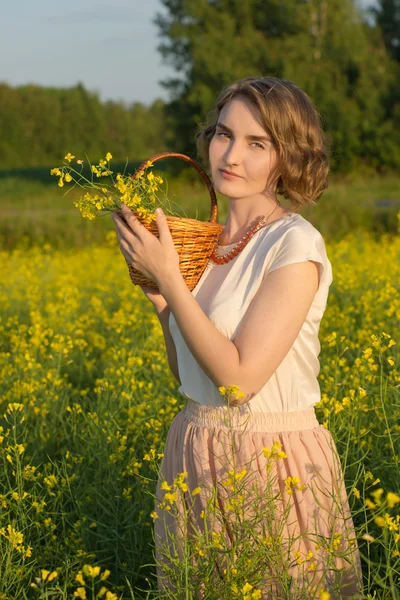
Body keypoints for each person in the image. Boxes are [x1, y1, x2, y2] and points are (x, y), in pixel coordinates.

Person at [112, 76, 363, 598]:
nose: (230, 154)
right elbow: (192, 376)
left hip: (273, 463)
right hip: (196, 452)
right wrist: (162, 301)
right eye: (224, 134)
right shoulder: (206, 244)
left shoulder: (294, 243)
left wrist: (172, 282)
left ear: (287, 157)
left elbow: (238, 381)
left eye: (257, 143)